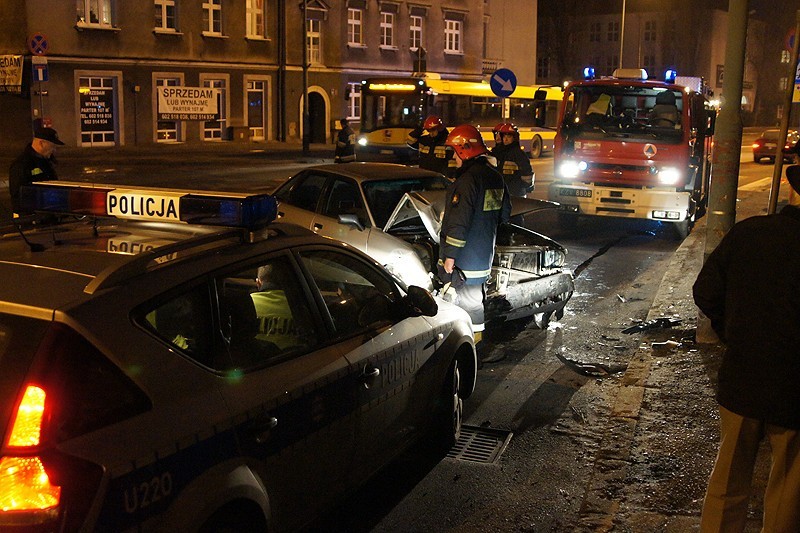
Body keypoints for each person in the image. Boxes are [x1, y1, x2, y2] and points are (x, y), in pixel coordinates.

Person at [692, 165, 800, 533]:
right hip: (796, 389)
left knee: (728, 478)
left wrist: (733, 333)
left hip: (743, 374)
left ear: (792, 190)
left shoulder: (750, 233)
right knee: (788, 487)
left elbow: (705, 291)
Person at [438, 124, 511, 352]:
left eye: (454, 151)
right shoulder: (494, 177)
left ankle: (470, 348)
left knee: (466, 302)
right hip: (483, 255)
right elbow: (504, 213)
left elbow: (460, 221)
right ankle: (474, 343)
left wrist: (450, 256)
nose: (453, 157)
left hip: (465, 258)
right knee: (475, 299)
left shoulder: (468, 180)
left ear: (464, 150)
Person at [8, 125, 64, 214]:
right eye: (52, 146)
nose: (54, 150)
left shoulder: (46, 161)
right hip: (31, 219)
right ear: (41, 143)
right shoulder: (21, 164)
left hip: (46, 214)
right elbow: (18, 196)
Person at [491, 122, 534, 225]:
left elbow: (527, 176)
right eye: (503, 136)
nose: (505, 139)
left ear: (514, 138)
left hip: (514, 195)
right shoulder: (496, 153)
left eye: (508, 136)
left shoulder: (518, 155)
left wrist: (519, 188)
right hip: (500, 194)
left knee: (515, 221)